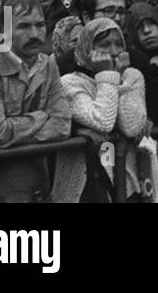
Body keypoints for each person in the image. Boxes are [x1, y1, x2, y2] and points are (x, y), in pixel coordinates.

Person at [0, 0, 72, 202]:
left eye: (40, 25)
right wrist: (42, 117)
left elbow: (62, 125)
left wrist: (16, 130)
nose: (35, 34)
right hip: (0, 184)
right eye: (24, 26)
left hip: (40, 179)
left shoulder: (48, 64)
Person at [49, 19, 149, 202]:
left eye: (118, 44)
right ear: (87, 49)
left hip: (125, 183)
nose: (113, 51)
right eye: (104, 45)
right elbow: (102, 120)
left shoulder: (132, 76)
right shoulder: (70, 82)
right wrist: (108, 75)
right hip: (85, 185)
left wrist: (117, 77)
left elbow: (131, 126)